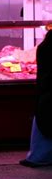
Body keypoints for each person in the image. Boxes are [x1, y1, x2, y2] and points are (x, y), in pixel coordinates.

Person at [20, 30, 52, 167]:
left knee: (43, 123)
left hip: (47, 91)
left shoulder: (45, 46)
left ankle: (38, 157)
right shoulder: (46, 47)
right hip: (48, 91)